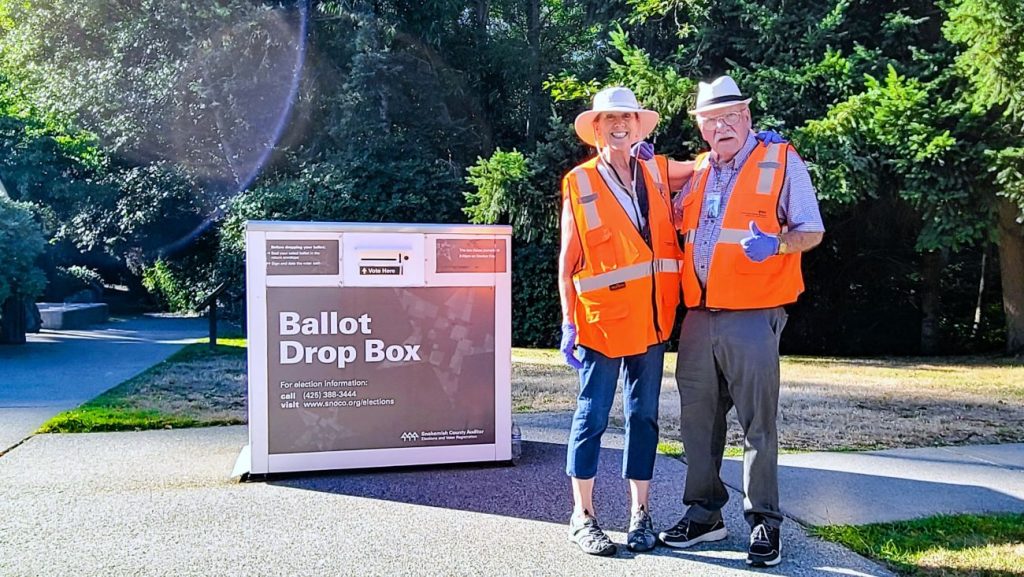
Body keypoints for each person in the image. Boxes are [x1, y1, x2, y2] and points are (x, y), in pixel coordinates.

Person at [657, 75, 824, 568]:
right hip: (699, 318)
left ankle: (764, 524)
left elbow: (810, 229)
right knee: (696, 424)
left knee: (758, 424)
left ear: (748, 118)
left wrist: (777, 243)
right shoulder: (703, 170)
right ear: (703, 130)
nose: (722, 126)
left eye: (731, 117)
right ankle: (705, 514)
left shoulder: (781, 160)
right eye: (712, 121)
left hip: (754, 315)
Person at [558, 86, 682, 556]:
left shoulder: (653, 169)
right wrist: (569, 321)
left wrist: (754, 144)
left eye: (626, 117)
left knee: (643, 419)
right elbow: (568, 260)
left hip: (651, 323)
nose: (618, 125)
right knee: (591, 417)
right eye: (608, 118)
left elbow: (707, 168)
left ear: (637, 124)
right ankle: (583, 517)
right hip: (602, 323)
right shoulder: (580, 181)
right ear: (595, 128)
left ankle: (639, 515)